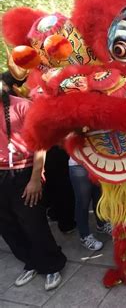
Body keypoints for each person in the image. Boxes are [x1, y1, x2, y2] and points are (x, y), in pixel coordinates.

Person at [0, 77, 66, 291]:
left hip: (24, 173)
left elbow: (41, 144)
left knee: (33, 223)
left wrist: (36, 178)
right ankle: (32, 261)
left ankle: (51, 264)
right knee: (7, 226)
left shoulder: (22, 106)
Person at [69, 158, 112, 250]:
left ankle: (102, 224)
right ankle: (84, 236)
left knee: (99, 197)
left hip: (97, 163)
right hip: (79, 165)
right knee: (83, 203)